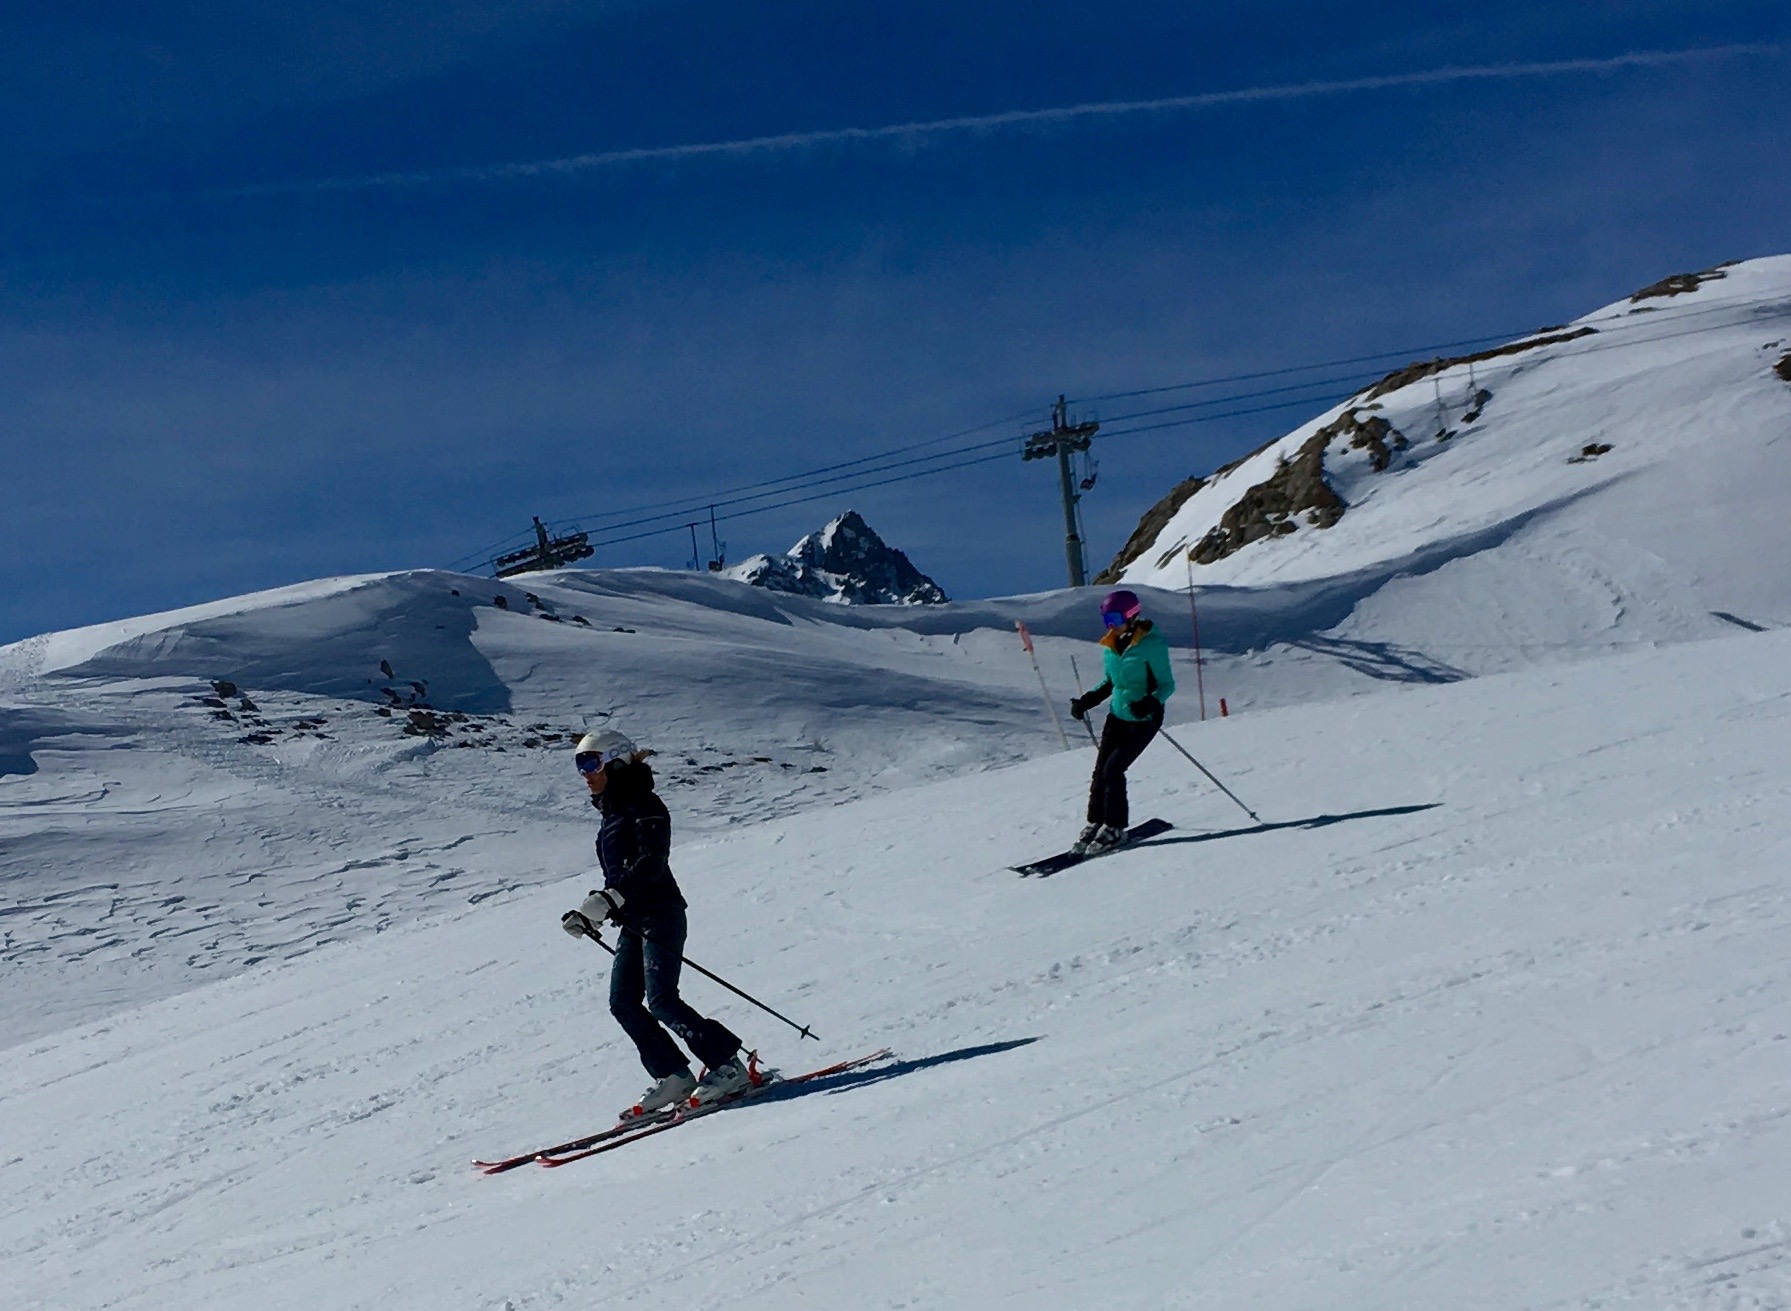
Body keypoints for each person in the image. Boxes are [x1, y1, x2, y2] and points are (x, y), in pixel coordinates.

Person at [559, 728, 752, 1117]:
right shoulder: (613, 814)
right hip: (632, 919)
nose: (584, 773)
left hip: (661, 913)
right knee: (623, 1003)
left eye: (590, 762)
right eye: (580, 764)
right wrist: (593, 911)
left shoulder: (644, 805)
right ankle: (675, 1076)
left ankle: (728, 1066)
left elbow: (651, 863)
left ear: (615, 762)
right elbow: (620, 877)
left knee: (662, 1000)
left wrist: (610, 898)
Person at [1067, 589, 1176, 854]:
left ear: (1131, 615)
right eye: (1107, 620)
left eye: (1114, 618)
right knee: (1100, 771)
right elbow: (1110, 683)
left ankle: (1115, 828)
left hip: (1144, 720)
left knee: (1113, 770)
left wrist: (1149, 703)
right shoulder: (1111, 646)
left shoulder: (1152, 644)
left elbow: (1167, 685)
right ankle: (1096, 822)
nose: (1111, 625)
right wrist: (1087, 701)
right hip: (1117, 717)